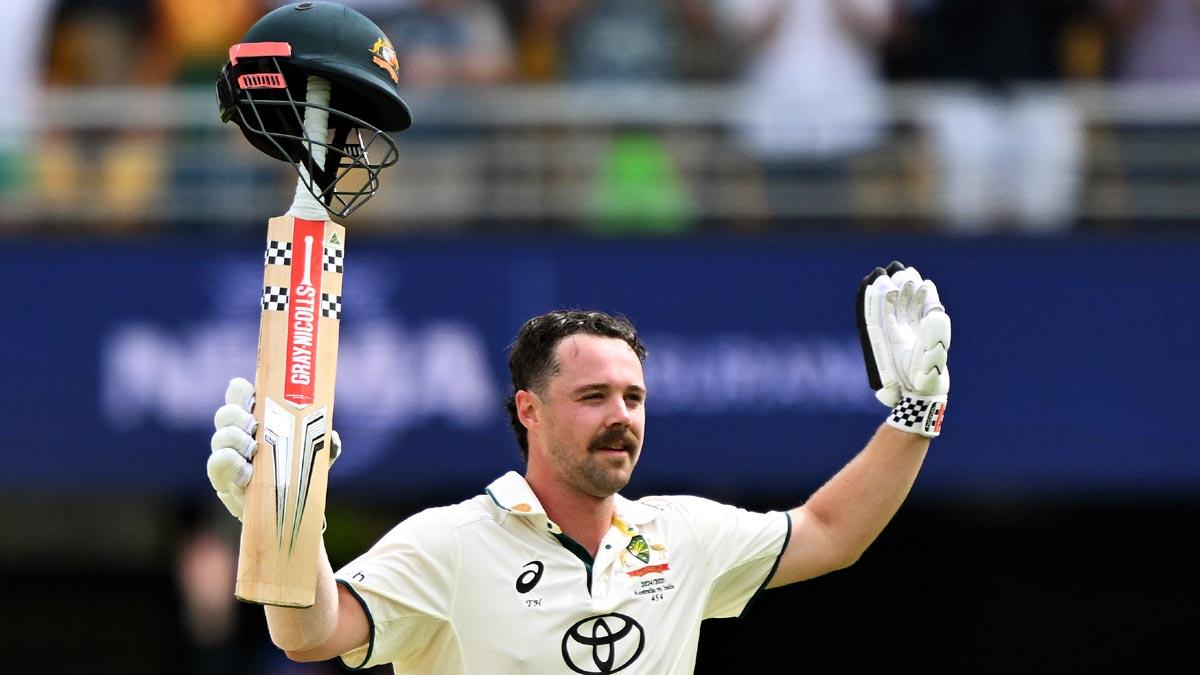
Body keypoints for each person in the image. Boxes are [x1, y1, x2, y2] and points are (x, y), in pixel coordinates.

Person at [207, 262, 952, 673]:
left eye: (633, 396)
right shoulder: (450, 542)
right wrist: (282, 521)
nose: (621, 415)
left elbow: (831, 533)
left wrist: (915, 414)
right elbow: (309, 633)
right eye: (593, 396)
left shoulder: (681, 535)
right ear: (528, 411)